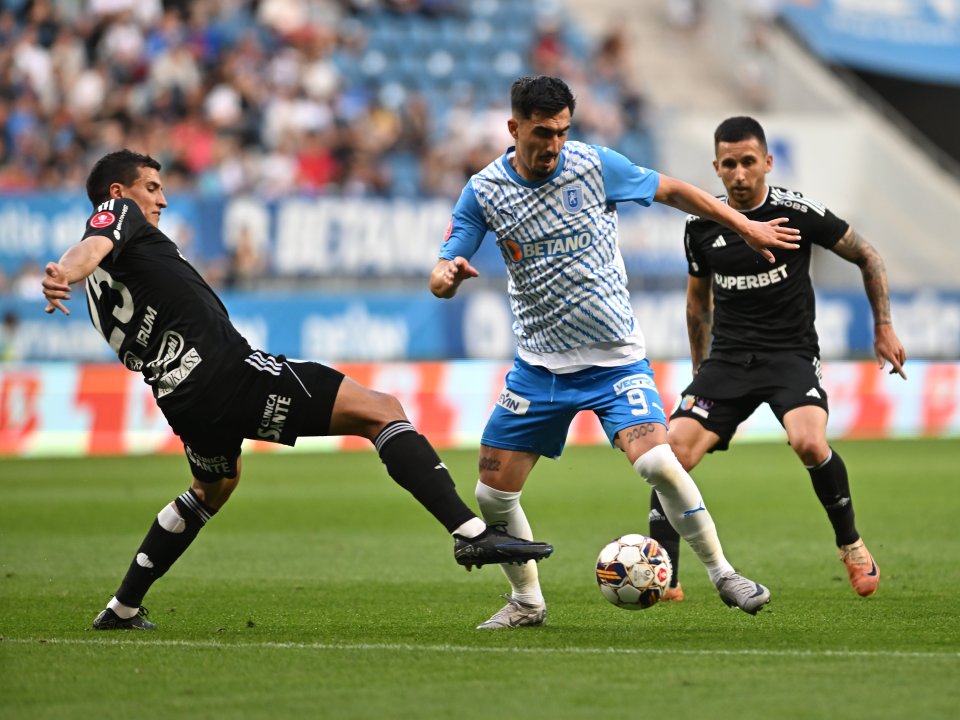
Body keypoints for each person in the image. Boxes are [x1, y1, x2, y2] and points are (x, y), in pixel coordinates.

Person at [41, 149, 554, 631]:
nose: (162, 199)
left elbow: (113, 287)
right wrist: (63, 270)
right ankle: (470, 534)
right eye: (151, 187)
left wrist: (75, 276)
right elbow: (91, 244)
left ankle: (123, 606)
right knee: (381, 410)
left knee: (213, 488)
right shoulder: (115, 216)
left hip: (181, 400)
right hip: (228, 376)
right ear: (116, 192)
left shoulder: (101, 292)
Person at [430, 76, 802, 629]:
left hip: (615, 361)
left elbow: (674, 190)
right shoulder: (484, 192)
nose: (553, 144)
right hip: (539, 368)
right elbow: (444, 265)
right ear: (513, 128)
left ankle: (724, 573)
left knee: (658, 462)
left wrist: (743, 225)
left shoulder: (594, 165)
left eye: (561, 131)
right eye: (541, 133)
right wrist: (447, 276)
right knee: (490, 494)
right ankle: (528, 603)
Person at [647, 116, 907, 602]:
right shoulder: (701, 226)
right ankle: (665, 572)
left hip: (789, 354)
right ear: (716, 168)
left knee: (809, 443)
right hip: (727, 361)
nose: (740, 174)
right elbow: (696, 303)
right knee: (671, 456)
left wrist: (884, 326)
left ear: (767, 162)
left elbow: (868, 255)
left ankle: (851, 545)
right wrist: (701, 369)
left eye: (749, 162)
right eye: (730, 164)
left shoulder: (797, 212)